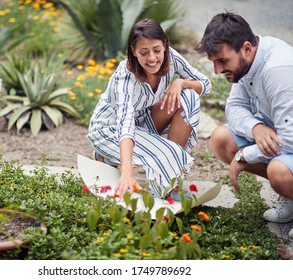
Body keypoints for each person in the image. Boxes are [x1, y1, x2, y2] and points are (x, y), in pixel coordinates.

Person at [195, 12, 293, 241]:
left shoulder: (279, 70)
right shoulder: (250, 62)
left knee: (280, 173)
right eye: (214, 62)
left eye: (223, 61)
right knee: (221, 140)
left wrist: (244, 154)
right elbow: (235, 106)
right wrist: (255, 126)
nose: (217, 70)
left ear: (246, 48)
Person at [87, 18, 211, 200]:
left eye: (157, 50)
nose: (152, 58)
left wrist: (180, 82)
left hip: (144, 122)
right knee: (169, 154)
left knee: (190, 95)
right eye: (144, 52)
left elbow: (206, 85)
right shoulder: (125, 76)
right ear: (133, 51)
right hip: (110, 129)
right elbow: (125, 122)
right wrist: (127, 171)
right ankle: (108, 155)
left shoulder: (171, 58)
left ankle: (170, 177)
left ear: (165, 45)